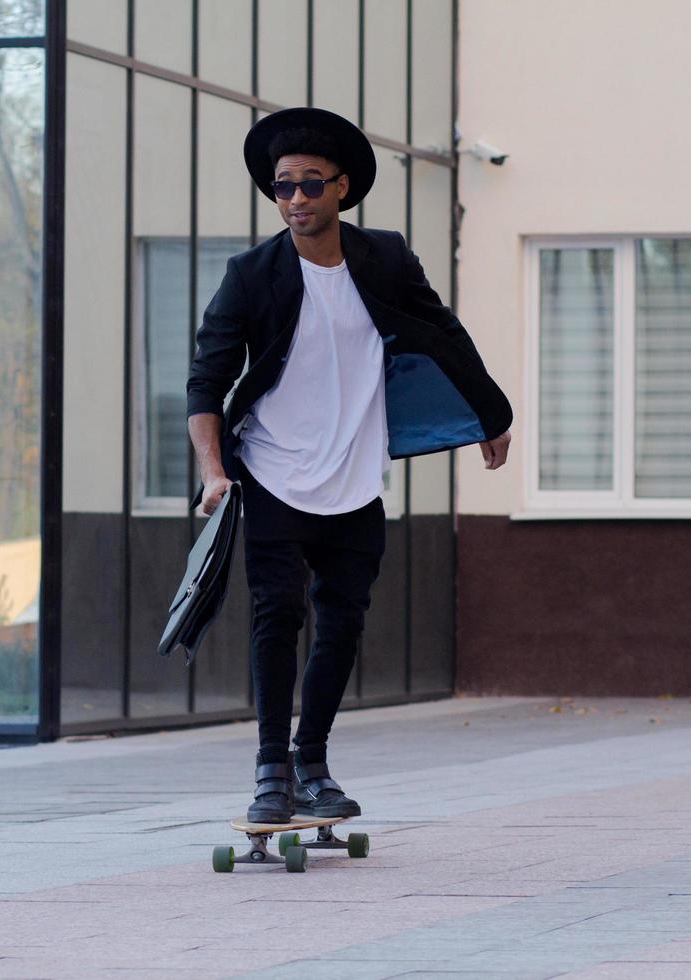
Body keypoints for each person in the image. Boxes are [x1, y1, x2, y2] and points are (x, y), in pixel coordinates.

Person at [187, 107, 513, 823]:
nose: (296, 199)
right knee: (277, 614)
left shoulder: (386, 259)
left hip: (357, 479)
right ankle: (271, 769)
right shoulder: (251, 276)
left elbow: (442, 331)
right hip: (271, 472)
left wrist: (491, 412)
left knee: (342, 624)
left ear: (341, 189)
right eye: (282, 188)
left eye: (309, 185)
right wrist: (215, 471)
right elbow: (206, 383)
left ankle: (313, 761)